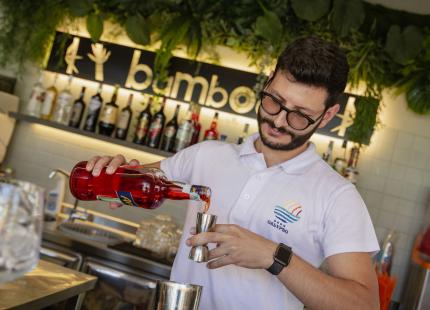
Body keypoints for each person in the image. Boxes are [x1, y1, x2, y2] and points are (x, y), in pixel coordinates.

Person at [85, 36, 380, 310]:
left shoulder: (337, 196)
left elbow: (363, 304)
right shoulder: (207, 155)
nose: (278, 120)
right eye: (273, 101)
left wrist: (273, 256)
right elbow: (132, 180)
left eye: (300, 115)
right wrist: (112, 170)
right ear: (267, 82)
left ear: (327, 116)